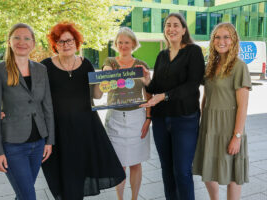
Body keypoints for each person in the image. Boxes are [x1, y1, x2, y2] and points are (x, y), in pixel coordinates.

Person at [40, 22, 125, 200]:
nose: (66, 45)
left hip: (85, 127)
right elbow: (35, 95)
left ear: (76, 42)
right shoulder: (45, 66)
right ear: (55, 44)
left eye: (69, 40)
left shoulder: (86, 64)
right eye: (61, 41)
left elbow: (96, 94)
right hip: (59, 130)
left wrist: (105, 82)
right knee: (64, 175)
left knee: (79, 171)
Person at [0, 23, 55, 200]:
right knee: (28, 196)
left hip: (38, 143)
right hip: (12, 145)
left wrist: (49, 141)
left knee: (23, 193)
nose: (21, 42)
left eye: (26, 38)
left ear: (33, 43)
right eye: (17, 37)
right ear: (9, 41)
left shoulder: (41, 69)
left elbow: (47, 107)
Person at [140, 13, 205, 200]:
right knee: (167, 171)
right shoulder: (161, 55)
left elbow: (192, 85)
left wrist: (164, 96)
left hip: (184, 119)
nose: (171, 29)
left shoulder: (193, 52)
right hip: (161, 120)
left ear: (184, 29)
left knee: (182, 172)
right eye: (168, 25)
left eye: (176, 25)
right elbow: (155, 88)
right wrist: (147, 80)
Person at [193, 22, 251, 200]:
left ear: (233, 40)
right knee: (208, 169)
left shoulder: (239, 66)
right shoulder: (211, 65)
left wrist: (237, 136)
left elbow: (243, 105)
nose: (221, 41)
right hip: (209, 125)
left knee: (233, 174)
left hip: (229, 127)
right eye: (217, 37)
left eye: (226, 37)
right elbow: (206, 96)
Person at [102, 27, 151, 200]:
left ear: (133, 44)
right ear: (116, 44)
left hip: (137, 118)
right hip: (115, 117)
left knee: (136, 163)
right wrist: (106, 73)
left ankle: (134, 198)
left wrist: (148, 118)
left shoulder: (141, 65)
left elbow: (148, 92)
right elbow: (106, 71)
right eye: (120, 42)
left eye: (127, 42)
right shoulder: (110, 62)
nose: (123, 45)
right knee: (119, 164)